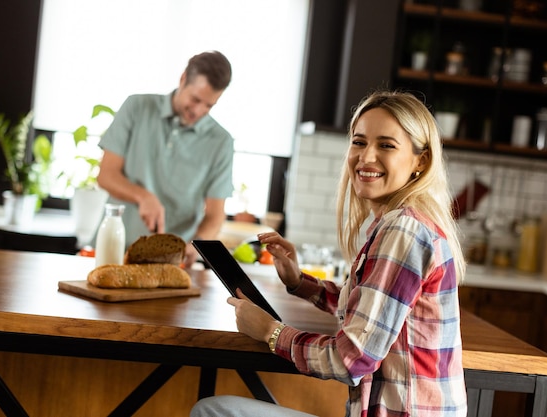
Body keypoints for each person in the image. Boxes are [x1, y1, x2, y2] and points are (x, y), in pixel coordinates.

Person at [190, 90, 467, 416]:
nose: (366, 157)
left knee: (213, 412)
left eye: (386, 145)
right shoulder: (400, 223)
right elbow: (371, 311)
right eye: (359, 142)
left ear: (421, 161)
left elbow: (351, 361)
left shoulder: (404, 232)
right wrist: (299, 282)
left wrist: (269, 331)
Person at [97, 51, 234, 267]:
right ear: (182, 79)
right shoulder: (136, 107)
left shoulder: (221, 142)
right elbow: (106, 175)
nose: (199, 110)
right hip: (114, 252)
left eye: (209, 106)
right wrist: (143, 197)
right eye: (195, 99)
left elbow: (215, 215)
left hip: (170, 264)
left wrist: (196, 245)